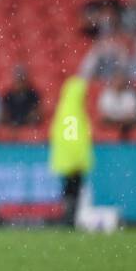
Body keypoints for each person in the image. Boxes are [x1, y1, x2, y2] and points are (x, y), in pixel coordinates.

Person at [50, 76, 93, 226]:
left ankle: (69, 218)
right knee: (72, 191)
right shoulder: (72, 112)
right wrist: (77, 159)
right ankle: (70, 219)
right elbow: (72, 139)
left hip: (68, 160)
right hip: (72, 161)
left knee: (69, 190)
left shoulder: (66, 108)